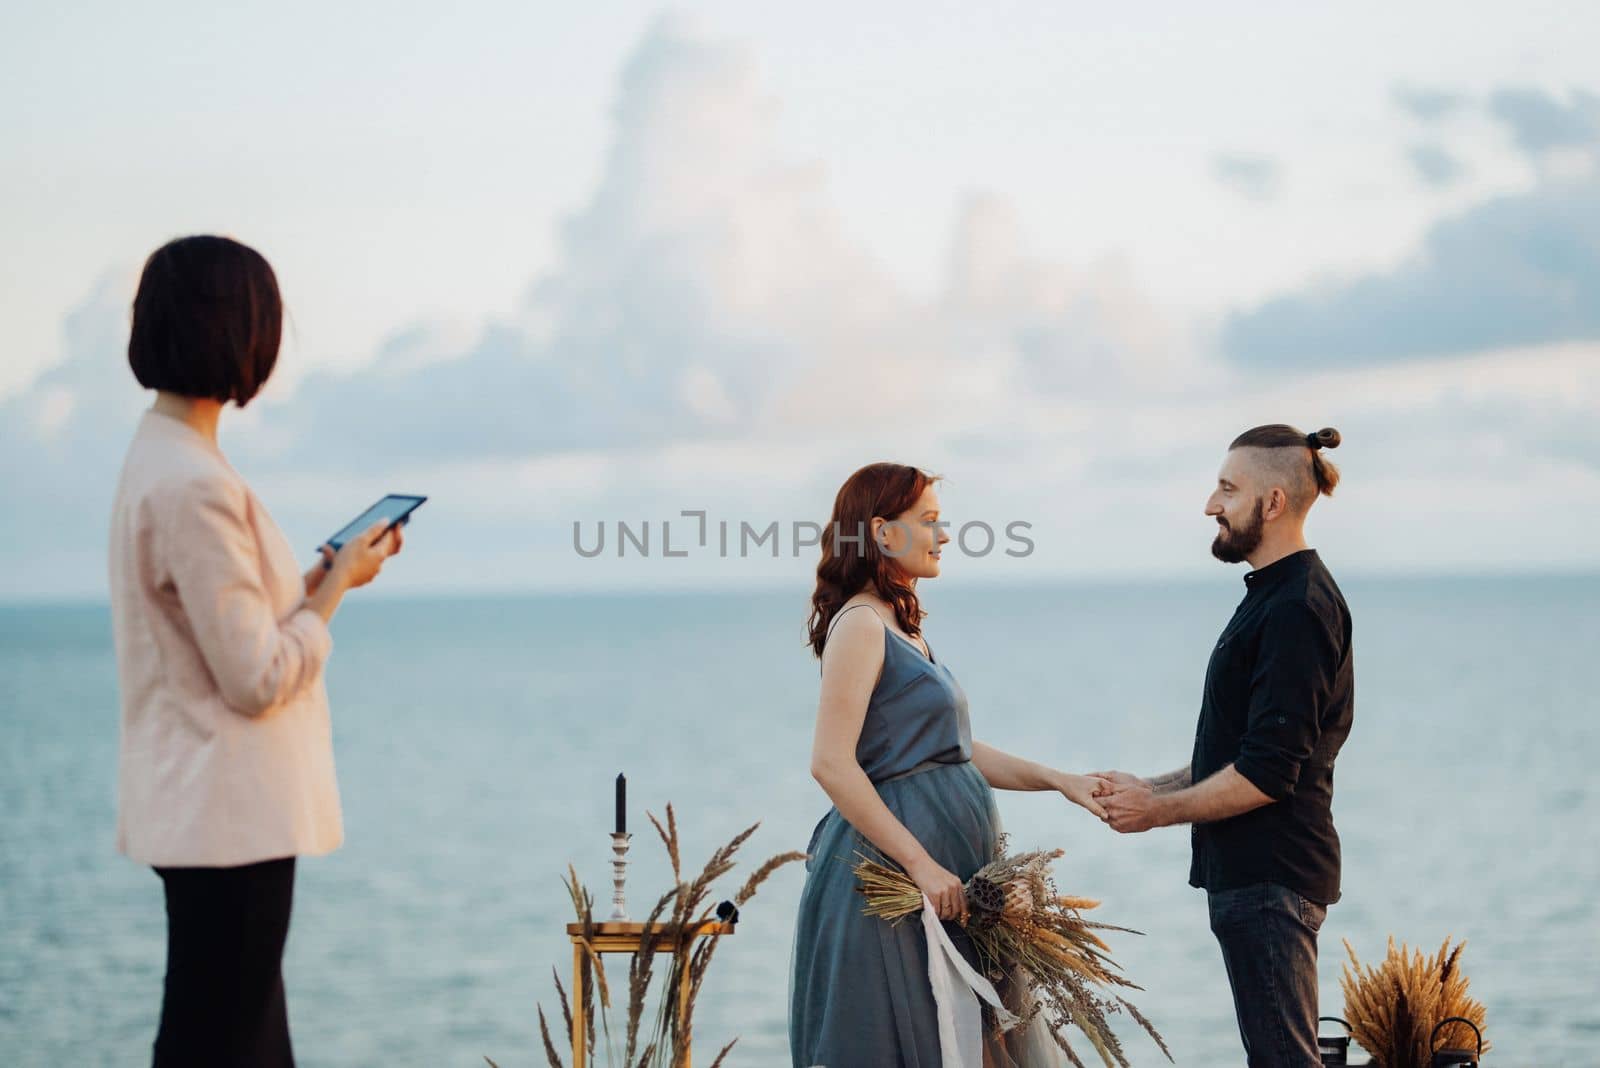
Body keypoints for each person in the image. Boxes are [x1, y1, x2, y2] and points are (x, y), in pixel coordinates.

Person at [107, 235, 403, 1067]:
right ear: (240, 334)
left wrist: (314, 583)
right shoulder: (194, 482)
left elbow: (220, 633)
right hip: (226, 818)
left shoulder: (162, 457)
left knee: (237, 1034)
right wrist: (335, 592)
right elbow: (256, 677)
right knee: (226, 1040)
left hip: (207, 814)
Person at [789, 462, 1107, 1067]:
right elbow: (830, 763)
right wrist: (920, 865)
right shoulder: (859, 625)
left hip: (953, 878)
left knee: (975, 1042)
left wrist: (1059, 781)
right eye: (930, 521)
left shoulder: (902, 628)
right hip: (899, 882)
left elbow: (955, 750)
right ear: (882, 533)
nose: (945, 535)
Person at [1095, 424, 1355, 1068]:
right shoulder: (1274, 597)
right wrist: (1150, 787)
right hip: (1257, 875)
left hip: (1273, 875)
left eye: (1227, 489)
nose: (1211, 504)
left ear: (1272, 503)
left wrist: (1156, 813)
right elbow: (1242, 749)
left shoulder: (1296, 608)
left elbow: (1269, 774)